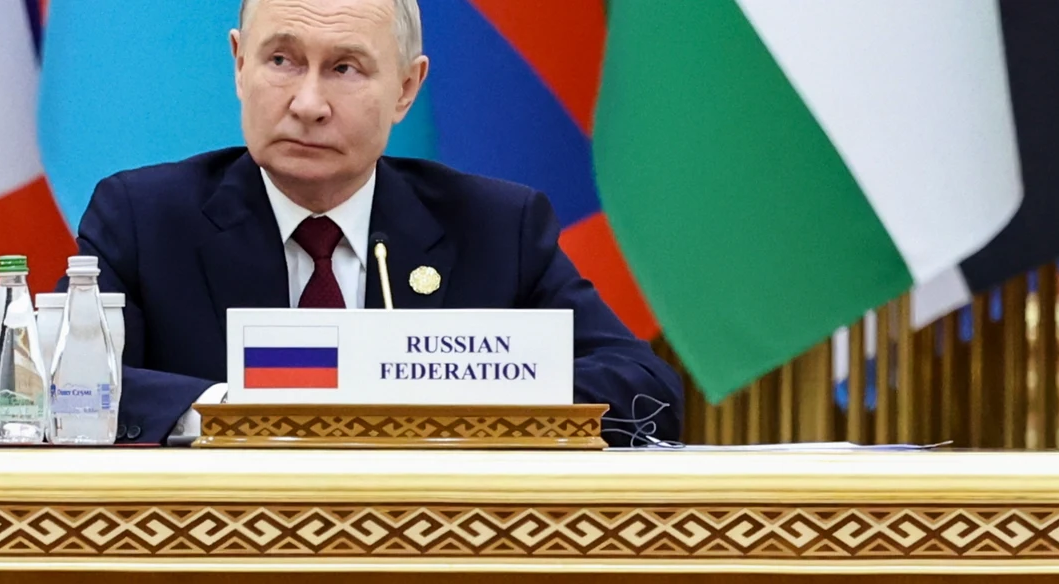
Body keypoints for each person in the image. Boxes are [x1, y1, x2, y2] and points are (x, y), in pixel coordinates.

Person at [75, 0, 683, 445]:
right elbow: (72, 387)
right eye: (282, 60)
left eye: (345, 69)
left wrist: (458, 408)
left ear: (406, 88)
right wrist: (234, 415)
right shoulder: (143, 219)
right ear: (239, 64)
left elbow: (646, 389)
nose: (307, 104)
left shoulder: (497, 228)